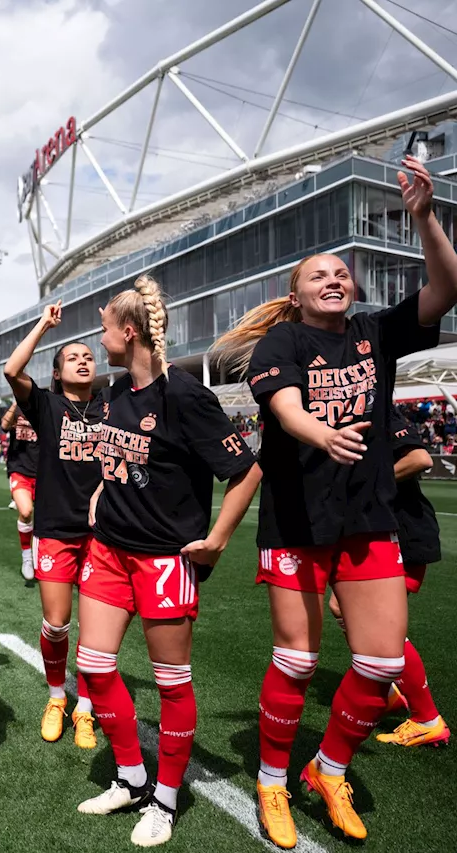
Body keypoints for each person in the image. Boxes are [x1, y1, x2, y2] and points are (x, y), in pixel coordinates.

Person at [211, 157, 457, 847]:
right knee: (296, 659)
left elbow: (448, 286)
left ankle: (327, 767)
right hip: (296, 523)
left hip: (369, 520)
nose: (335, 278)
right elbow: (286, 408)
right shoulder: (282, 340)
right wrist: (322, 430)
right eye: (318, 273)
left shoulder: (375, 332)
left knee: (379, 662)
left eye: (341, 272)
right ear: (296, 294)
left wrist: (425, 218)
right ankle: (269, 779)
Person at [76, 275, 260, 848]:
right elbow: (123, 460)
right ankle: (132, 777)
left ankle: (165, 799)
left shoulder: (186, 397)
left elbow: (247, 470)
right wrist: (105, 490)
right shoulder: (111, 394)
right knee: (96, 667)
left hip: (163, 559)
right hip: (107, 551)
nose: (99, 336)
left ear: (128, 332)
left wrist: (218, 538)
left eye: (104, 327)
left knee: (171, 684)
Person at [3, 300, 104, 750]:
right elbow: (11, 369)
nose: (83, 361)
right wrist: (44, 324)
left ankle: (85, 707)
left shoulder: (113, 405)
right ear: (58, 373)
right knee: (57, 622)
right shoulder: (46, 406)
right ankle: (56, 697)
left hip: (106, 531)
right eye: (73, 358)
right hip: (57, 529)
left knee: (97, 628)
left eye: (88, 356)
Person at [326, 410, 447, 748]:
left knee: (375, 627)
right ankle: (391, 689)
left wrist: (366, 489)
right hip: (383, 532)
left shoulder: (375, 409)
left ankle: (427, 718)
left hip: (405, 535)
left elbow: (419, 458)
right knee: (343, 609)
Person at [2, 402, 38, 580]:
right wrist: (16, 403)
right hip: (19, 469)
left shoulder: (41, 404)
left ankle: (41, 558)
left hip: (43, 470)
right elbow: (4, 426)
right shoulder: (15, 408)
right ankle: (27, 558)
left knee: (47, 518)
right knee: (25, 511)